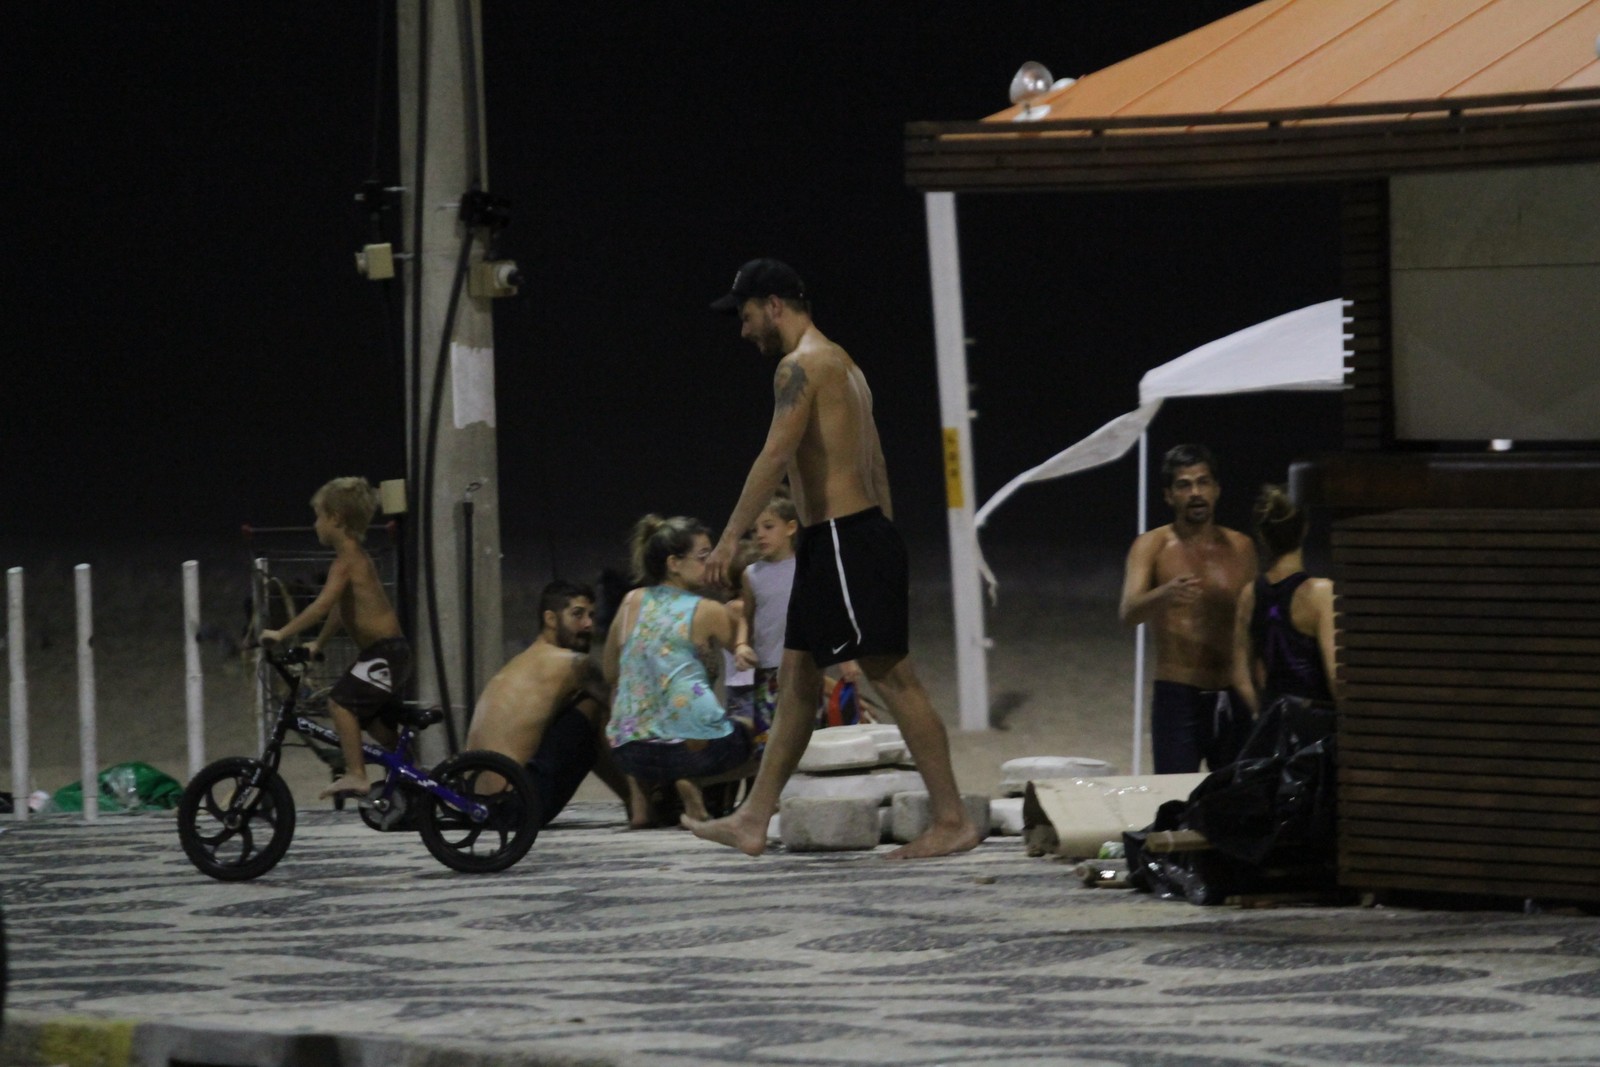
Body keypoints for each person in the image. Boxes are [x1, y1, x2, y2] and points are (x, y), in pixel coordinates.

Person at [686, 257, 979, 859]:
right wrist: (885, 539)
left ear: (773, 306)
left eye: (745, 317)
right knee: (796, 679)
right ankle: (753, 819)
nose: (744, 333)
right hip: (845, 541)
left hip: (846, 539)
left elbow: (773, 458)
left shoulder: (802, 365)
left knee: (892, 675)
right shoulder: (846, 364)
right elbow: (875, 464)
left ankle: (951, 820)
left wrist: (728, 539)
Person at [260, 477, 409, 798]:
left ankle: (357, 774)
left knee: (339, 703)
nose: (315, 524)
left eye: (318, 516)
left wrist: (281, 632)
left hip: (384, 653)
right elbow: (341, 611)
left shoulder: (347, 561)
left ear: (336, 519)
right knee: (371, 721)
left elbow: (321, 606)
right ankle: (410, 771)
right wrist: (318, 644)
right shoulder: (353, 560)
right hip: (387, 652)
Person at [603, 514, 752, 826]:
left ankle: (641, 803)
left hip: (629, 752)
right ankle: (693, 784)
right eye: (703, 556)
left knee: (629, 702)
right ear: (674, 563)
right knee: (766, 739)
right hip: (693, 750)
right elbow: (760, 656)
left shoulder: (631, 601)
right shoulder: (707, 610)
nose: (711, 562)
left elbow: (610, 674)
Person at [1120, 444, 1256, 774]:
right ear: (1169, 495)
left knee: (1239, 796)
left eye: (1203, 482)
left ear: (1217, 489)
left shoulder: (1241, 546)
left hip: (1233, 691)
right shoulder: (1152, 545)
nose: (1195, 493)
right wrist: (1162, 595)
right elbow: (1128, 612)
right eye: (1184, 485)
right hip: (1178, 693)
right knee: (1173, 797)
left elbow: (1254, 622)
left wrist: (1259, 695)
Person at [466, 579, 633, 827]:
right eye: (577, 614)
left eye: (591, 615)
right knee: (594, 708)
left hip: (475, 805)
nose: (588, 624)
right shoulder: (572, 663)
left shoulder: (524, 661)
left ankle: (637, 802)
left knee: (582, 719)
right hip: (514, 807)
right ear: (551, 619)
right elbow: (625, 711)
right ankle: (641, 804)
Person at [1231, 485, 1338, 714]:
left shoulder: (1249, 595)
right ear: (1305, 528)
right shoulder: (1321, 593)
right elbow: (1336, 677)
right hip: (1315, 734)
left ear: (1262, 534)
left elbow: (1239, 676)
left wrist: (1264, 717)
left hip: (1274, 732)